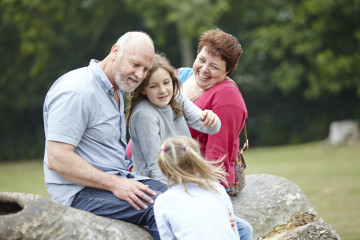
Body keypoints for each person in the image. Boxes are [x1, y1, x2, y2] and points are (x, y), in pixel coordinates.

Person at [43, 31, 167, 240]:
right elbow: (57, 158)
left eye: (145, 69)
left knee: (179, 196)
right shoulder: (77, 91)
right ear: (115, 52)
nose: (139, 75)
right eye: (135, 65)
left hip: (113, 181)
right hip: (79, 193)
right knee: (162, 207)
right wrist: (116, 184)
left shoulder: (115, 88)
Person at [176, 28, 253, 239]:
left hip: (196, 179)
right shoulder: (178, 76)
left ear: (227, 72)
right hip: (165, 168)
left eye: (215, 66)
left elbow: (218, 158)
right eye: (201, 60)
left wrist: (214, 207)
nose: (204, 69)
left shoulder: (227, 97)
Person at [126, 53, 221, 183]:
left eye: (166, 82)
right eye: (153, 86)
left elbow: (211, 129)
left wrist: (212, 119)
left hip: (186, 178)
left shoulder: (176, 97)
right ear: (143, 89)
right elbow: (155, 166)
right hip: (159, 184)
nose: (163, 90)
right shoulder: (144, 114)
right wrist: (175, 195)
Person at [154, 135, 240, 239]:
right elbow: (235, 234)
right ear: (197, 161)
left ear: (164, 169)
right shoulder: (216, 188)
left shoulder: (163, 201)